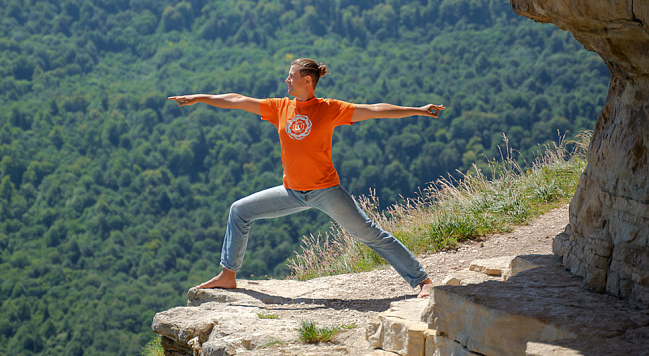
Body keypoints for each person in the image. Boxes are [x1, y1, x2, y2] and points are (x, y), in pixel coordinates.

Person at [168, 58, 445, 298]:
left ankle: (422, 280)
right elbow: (238, 100)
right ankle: (228, 275)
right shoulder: (280, 107)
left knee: (369, 234)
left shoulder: (329, 109)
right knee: (240, 211)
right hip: (292, 191)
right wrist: (199, 98)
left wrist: (419, 110)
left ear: (307, 80)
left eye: (291, 75)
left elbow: (375, 110)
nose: (286, 80)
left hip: (326, 191)